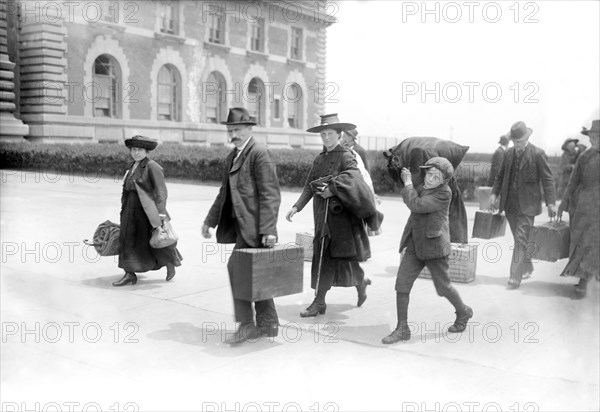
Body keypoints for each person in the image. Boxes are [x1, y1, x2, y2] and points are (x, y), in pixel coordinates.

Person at [286, 114, 380, 317]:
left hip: (341, 218)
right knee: (331, 257)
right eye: (323, 134)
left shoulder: (346, 155)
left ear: (339, 135)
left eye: (330, 133)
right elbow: (309, 185)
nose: (326, 137)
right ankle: (360, 282)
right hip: (321, 216)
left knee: (331, 257)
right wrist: (297, 206)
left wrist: (333, 189)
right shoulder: (319, 159)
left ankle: (319, 302)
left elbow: (354, 179)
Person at [202, 107, 281, 344]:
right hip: (243, 227)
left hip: (256, 228)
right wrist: (210, 220)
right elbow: (223, 193)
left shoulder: (259, 153)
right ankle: (268, 324)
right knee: (256, 274)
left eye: (237, 129)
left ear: (249, 129)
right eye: (230, 129)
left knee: (239, 271)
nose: (233, 134)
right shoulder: (233, 156)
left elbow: (270, 195)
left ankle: (248, 325)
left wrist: (268, 230)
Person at [382, 157, 473, 344]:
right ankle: (402, 328)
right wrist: (397, 167)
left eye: (436, 177)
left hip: (435, 247)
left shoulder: (444, 193)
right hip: (415, 244)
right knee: (402, 284)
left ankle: (463, 312)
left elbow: (416, 204)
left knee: (443, 288)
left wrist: (408, 184)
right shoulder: (423, 186)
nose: (430, 179)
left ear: (444, 181)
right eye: (429, 173)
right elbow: (410, 189)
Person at [490, 121, 557, 289]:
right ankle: (527, 267)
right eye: (514, 142)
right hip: (510, 204)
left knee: (520, 239)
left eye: (520, 142)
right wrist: (494, 194)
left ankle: (515, 278)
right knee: (520, 238)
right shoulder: (508, 154)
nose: (517, 145)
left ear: (527, 138)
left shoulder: (538, 154)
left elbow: (548, 180)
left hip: (528, 206)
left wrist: (551, 203)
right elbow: (500, 176)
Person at [113, 135, 182, 287]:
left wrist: (161, 213)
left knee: (155, 241)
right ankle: (129, 274)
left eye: (139, 150)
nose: (136, 153)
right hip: (130, 212)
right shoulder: (131, 166)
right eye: (133, 149)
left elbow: (161, 191)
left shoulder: (152, 166)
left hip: (147, 213)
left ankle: (170, 263)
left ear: (146, 151)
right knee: (128, 242)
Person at [558, 120, 599, 298]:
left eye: (596, 136)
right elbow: (573, 181)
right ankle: (584, 278)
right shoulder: (584, 157)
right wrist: (563, 202)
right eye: (591, 136)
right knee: (585, 240)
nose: (593, 140)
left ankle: (593, 274)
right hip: (585, 204)